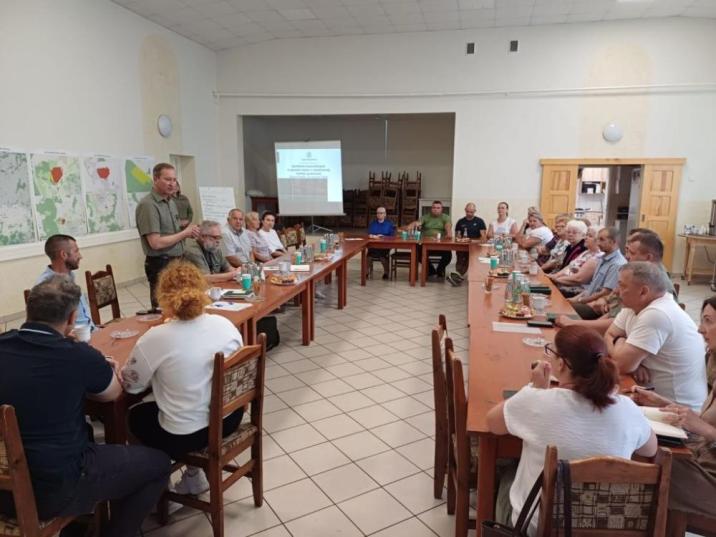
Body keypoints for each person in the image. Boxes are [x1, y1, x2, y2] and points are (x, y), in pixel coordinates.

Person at [0, 277, 170, 537]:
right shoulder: (77, 355)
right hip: (53, 491)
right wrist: (109, 367)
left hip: (5, 490)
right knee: (157, 464)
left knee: (84, 434)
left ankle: (79, 528)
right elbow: (112, 394)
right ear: (71, 319)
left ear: (28, 312)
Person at [487, 325, 656, 536]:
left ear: (561, 363)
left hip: (538, 529)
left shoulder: (536, 400)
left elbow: (492, 423)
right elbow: (651, 449)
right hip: (606, 529)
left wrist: (534, 388)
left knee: (505, 473)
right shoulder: (627, 408)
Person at [122, 262, 244, 496]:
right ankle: (192, 475)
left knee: (135, 416)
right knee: (180, 398)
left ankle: (159, 486)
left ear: (163, 297)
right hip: (230, 418)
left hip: (186, 435)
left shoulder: (155, 338)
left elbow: (132, 386)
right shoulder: (225, 325)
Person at [631, 296, 716, 524]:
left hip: (710, 478)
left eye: (708, 321)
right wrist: (661, 402)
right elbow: (707, 422)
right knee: (639, 446)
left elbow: (707, 429)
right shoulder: (714, 363)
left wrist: (704, 430)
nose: (700, 329)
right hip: (700, 460)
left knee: (642, 465)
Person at [605, 262, 707, 411]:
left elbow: (620, 365)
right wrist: (627, 351)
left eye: (622, 286)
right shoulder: (635, 305)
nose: (615, 291)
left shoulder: (657, 314)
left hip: (677, 414)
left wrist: (621, 343)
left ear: (643, 291)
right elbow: (609, 334)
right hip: (648, 396)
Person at [559, 230, 674, 330]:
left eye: (631, 253)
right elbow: (616, 308)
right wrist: (605, 299)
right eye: (627, 250)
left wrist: (576, 324)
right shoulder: (640, 272)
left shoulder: (656, 284)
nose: (627, 256)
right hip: (610, 318)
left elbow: (619, 322)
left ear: (648, 258)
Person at [136, 162, 200, 310]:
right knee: (165, 309)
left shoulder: (171, 202)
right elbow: (155, 243)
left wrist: (189, 232)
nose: (172, 184)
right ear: (156, 179)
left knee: (180, 307)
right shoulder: (148, 205)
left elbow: (173, 233)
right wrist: (184, 233)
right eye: (167, 179)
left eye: (174, 180)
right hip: (161, 263)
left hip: (178, 260)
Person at [36, 234, 95, 330]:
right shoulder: (46, 286)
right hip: (75, 340)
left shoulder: (70, 275)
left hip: (90, 331)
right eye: (76, 251)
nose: (80, 256)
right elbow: (49, 330)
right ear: (63, 254)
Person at [569, 227, 626, 320]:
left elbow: (605, 292)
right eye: (598, 239)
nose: (598, 243)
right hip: (588, 301)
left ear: (613, 242)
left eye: (602, 240)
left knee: (564, 311)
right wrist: (575, 299)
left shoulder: (617, 264)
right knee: (562, 303)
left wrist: (580, 301)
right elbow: (592, 287)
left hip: (596, 307)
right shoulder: (602, 259)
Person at [548, 226, 602, 297]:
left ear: (598, 240)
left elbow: (578, 279)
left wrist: (557, 279)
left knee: (547, 292)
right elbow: (569, 266)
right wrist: (555, 276)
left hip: (576, 291)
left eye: (590, 236)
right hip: (563, 283)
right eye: (586, 235)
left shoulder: (597, 257)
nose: (585, 237)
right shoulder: (586, 252)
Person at [409, 200, 452, 278]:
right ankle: (431, 270)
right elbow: (418, 223)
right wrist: (412, 225)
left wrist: (449, 232)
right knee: (417, 252)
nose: (436, 209)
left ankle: (440, 270)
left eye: (438, 208)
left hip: (440, 244)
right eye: (434, 207)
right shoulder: (425, 217)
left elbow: (448, 226)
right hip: (426, 244)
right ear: (431, 209)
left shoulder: (445, 217)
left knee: (448, 254)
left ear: (442, 209)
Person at [447, 202, 486, 286]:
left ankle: (469, 279)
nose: (469, 213)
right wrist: (460, 239)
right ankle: (457, 276)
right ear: (465, 210)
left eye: (471, 212)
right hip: (462, 246)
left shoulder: (480, 221)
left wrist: (474, 241)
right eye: (468, 211)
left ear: (475, 211)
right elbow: (458, 236)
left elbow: (483, 238)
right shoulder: (460, 222)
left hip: (475, 247)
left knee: (472, 262)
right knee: (461, 260)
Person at [367, 206, 396, 280]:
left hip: (385, 246)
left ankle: (386, 272)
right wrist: (373, 236)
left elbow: (393, 237)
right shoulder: (373, 223)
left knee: (383, 257)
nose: (379, 214)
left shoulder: (389, 224)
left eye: (381, 213)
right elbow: (369, 234)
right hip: (374, 245)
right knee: (368, 257)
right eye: (378, 213)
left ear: (385, 214)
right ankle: (366, 272)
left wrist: (383, 237)